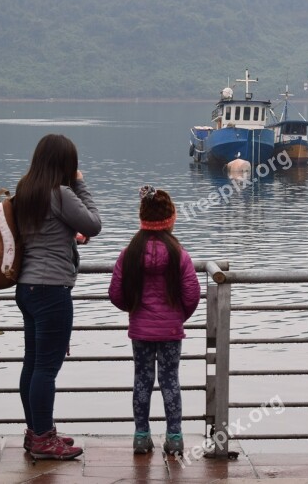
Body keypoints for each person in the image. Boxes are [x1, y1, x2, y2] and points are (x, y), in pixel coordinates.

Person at [15, 134, 102, 460]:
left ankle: (37, 432)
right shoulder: (61, 192)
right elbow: (94, 224)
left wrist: (69, 238)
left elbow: (44, 234)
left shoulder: (26, 190)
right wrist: (80, 184)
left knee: (32, 365)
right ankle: (43, 439)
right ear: (66, 164)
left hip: (26, 288)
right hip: (52, 290)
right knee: (46, 369)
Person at [108, 185, 200, 455]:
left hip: (140, 330)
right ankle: (174, 438)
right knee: (170, 381)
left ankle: (141, 436)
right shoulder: (179, 254)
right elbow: (192, 293)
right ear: (170, 218)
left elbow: (115, 292)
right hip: (171, 330)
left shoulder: (130, 253)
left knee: (142, 381)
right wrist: (178, 316)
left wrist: (133, 309)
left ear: (142, 218)